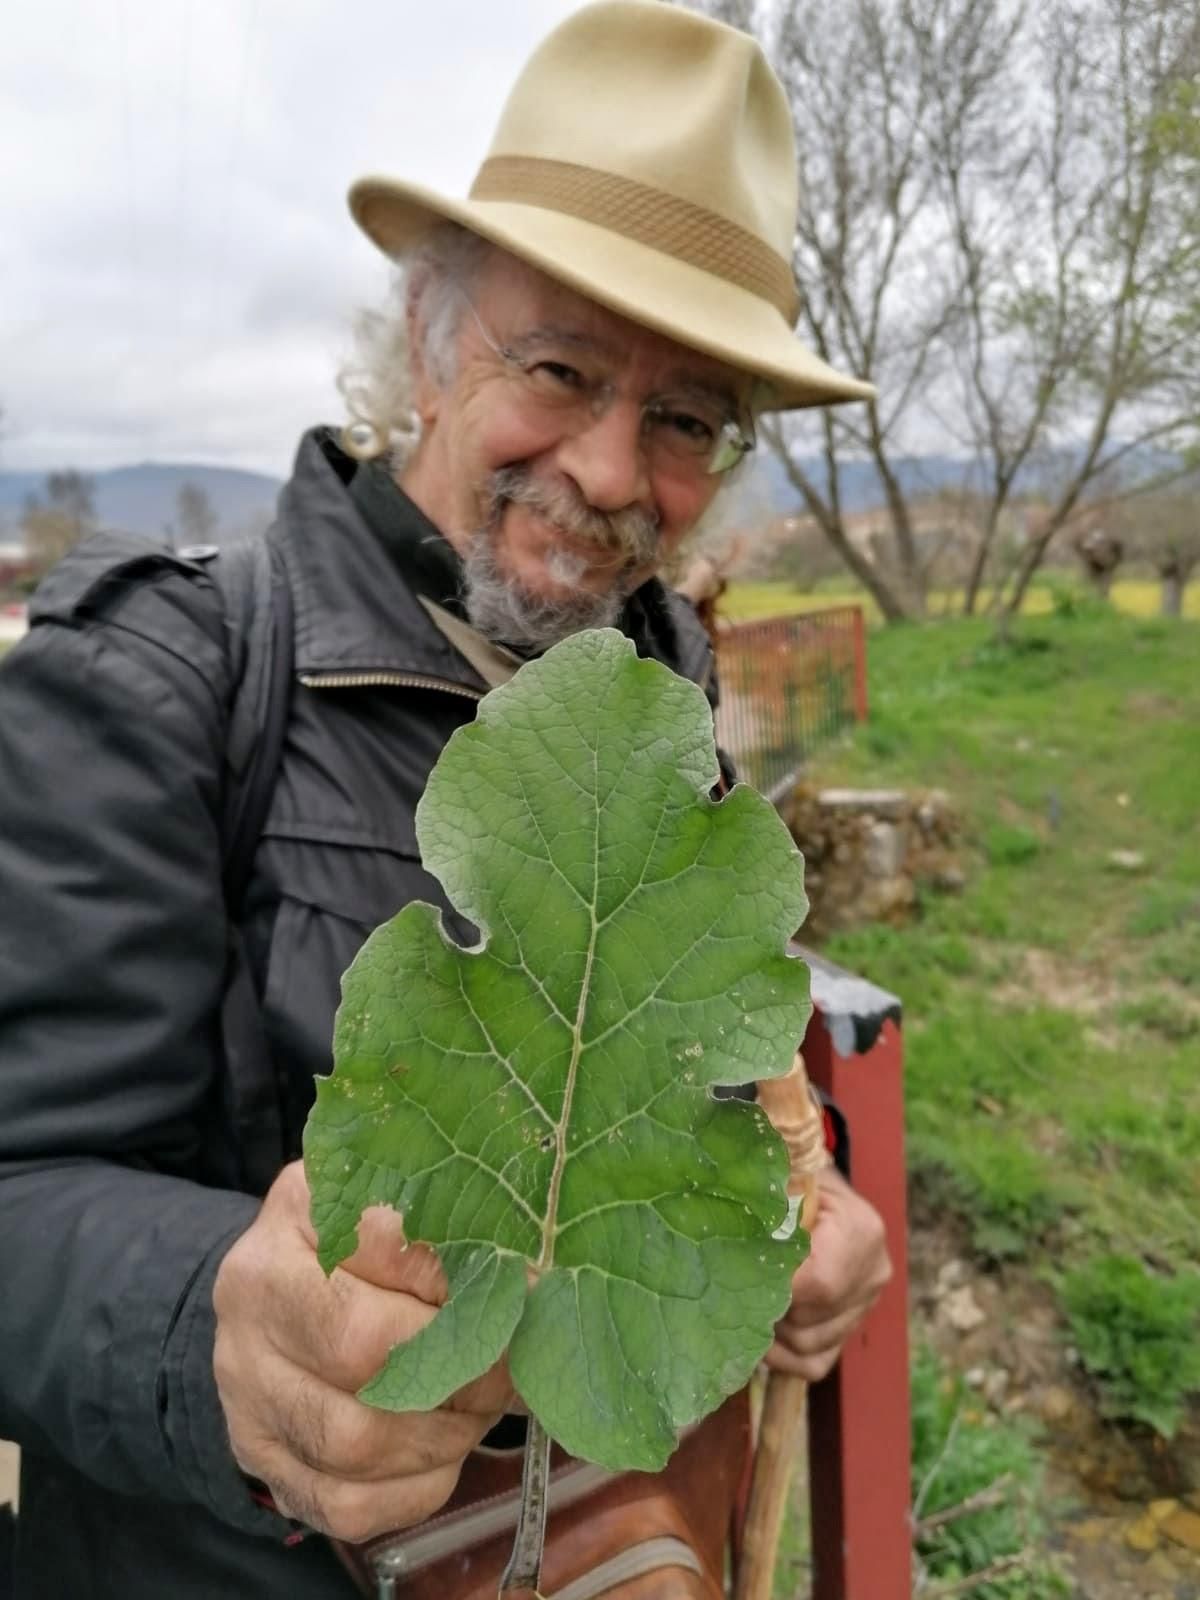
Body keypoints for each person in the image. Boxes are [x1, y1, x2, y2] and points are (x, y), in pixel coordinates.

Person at [0, 2, 891, 1594]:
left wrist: (798, 1208)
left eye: (685, 418)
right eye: (561, 367)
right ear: (425, 339)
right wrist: (220, 1335)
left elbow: (706, 1069)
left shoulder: (671, 706)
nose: (615, 475)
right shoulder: (168, 676)